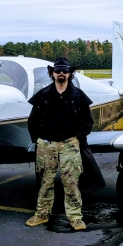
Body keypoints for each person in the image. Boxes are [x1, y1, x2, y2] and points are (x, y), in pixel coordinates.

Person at [25, 57, 94, 231]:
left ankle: (76, 217)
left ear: (70, 73)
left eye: (64, 71)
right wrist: (37, 139)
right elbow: (33, 120)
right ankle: (41, 214)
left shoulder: (78, 95)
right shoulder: (43, 95)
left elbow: (87, 121)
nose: (61, 74)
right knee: (45, 181)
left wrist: (78, 138)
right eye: (57, 71)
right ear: (52, 73)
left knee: (70, 181)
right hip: (46, 145)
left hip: (69, 143)